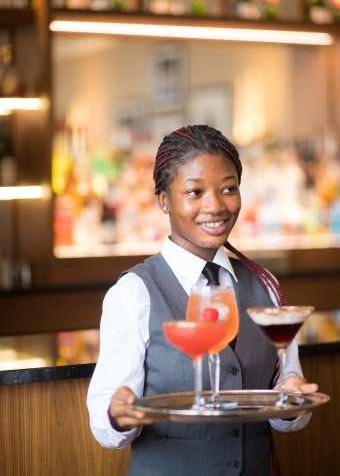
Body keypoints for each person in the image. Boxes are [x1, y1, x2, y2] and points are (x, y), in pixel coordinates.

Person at [87, 125, 317, 476]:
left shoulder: (265, 287)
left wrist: (292, 398)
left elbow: (288, 408)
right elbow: (105, 423)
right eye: (194, 192)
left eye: (228, 189)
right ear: (164, 200)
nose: (216, 206)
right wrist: (117, 414)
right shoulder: (134, 293)